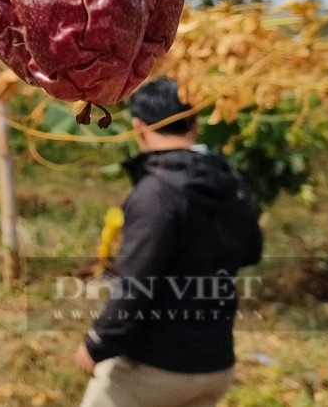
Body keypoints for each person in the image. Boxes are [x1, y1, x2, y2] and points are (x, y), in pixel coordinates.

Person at [76, 77, 264, 407]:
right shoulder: (228, 181)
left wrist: (97, 343)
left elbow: (135, 285)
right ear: (194, 122)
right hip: (215, 366)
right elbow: (252, 251)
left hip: (155, 369)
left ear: (138, 127)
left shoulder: (155, 193)